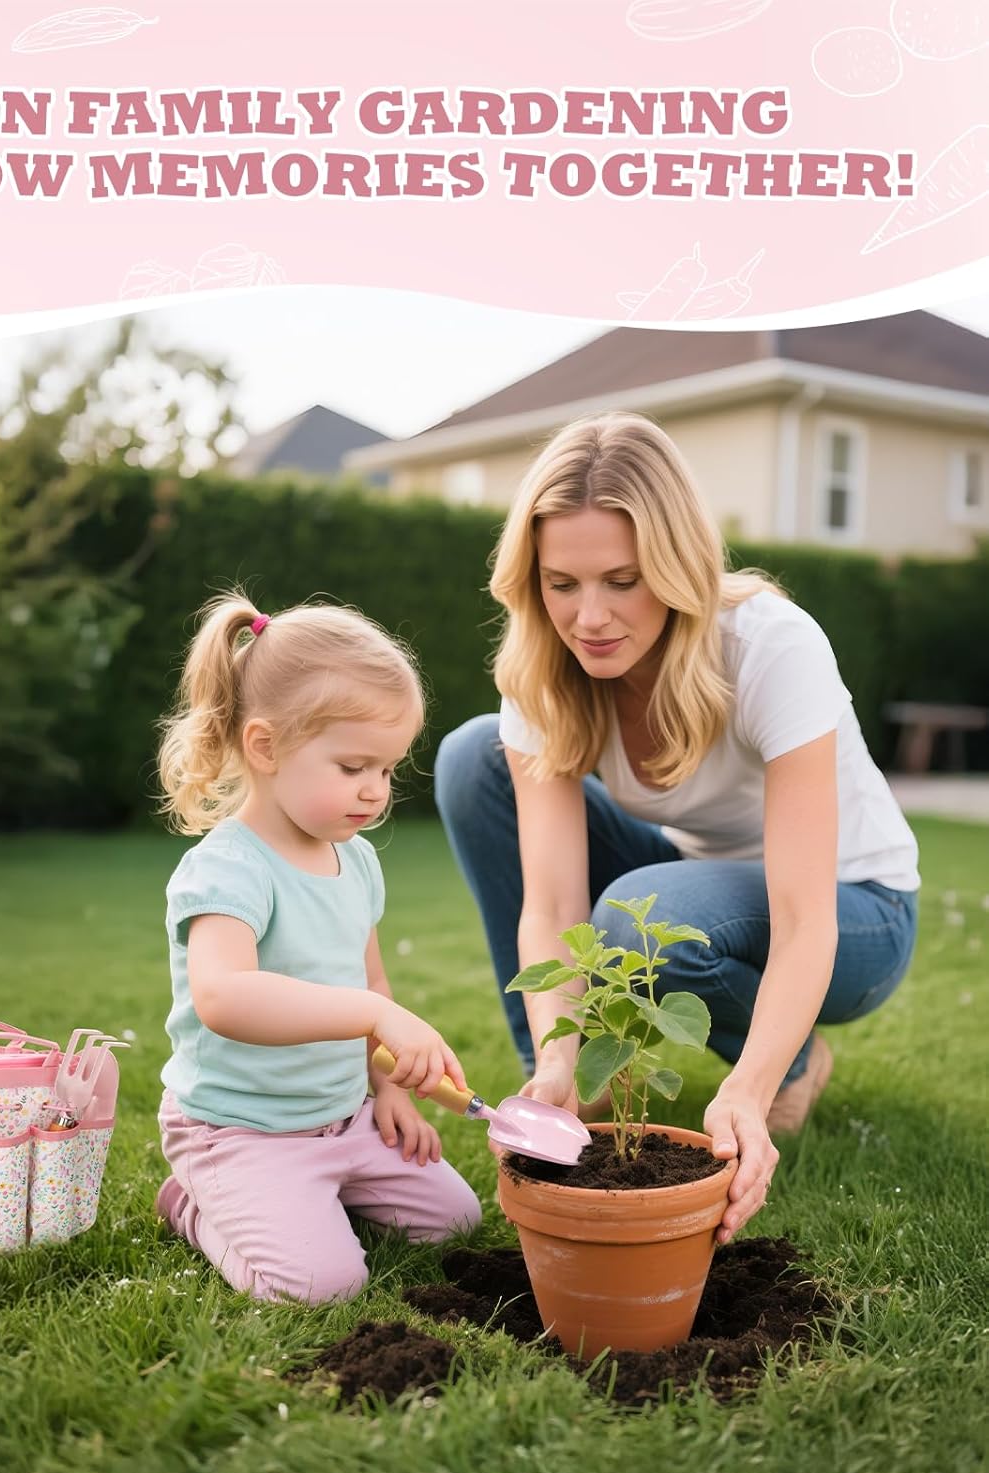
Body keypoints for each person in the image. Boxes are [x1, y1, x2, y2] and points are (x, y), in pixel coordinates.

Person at [434, 413, 919, 1245]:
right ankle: (561, 1090)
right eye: (561, 584)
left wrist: (748, 1091)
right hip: (697, 882)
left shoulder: (768, 645)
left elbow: (803, 918)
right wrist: (558, 1053)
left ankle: (790, 1056)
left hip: (854, 913)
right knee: (471, 755)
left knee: (633, 915)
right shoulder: (542, 667)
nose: (588, 617)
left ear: (677, 566)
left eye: (622, 580)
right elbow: (550, 904)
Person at [152, 591, 481, 1303]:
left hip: (344, 1121)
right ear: (265, 746)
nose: (375, 792)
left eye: (387, 770)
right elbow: (224, 997)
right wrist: (369, 1014)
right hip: (241, 1130)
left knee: (455, 1222)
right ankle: (193, 1206)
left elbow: (373, 986)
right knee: (320, 1285)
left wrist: (389, 1088)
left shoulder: (355, 859)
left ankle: (315, 1197)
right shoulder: (227, 869)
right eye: (352, 766)